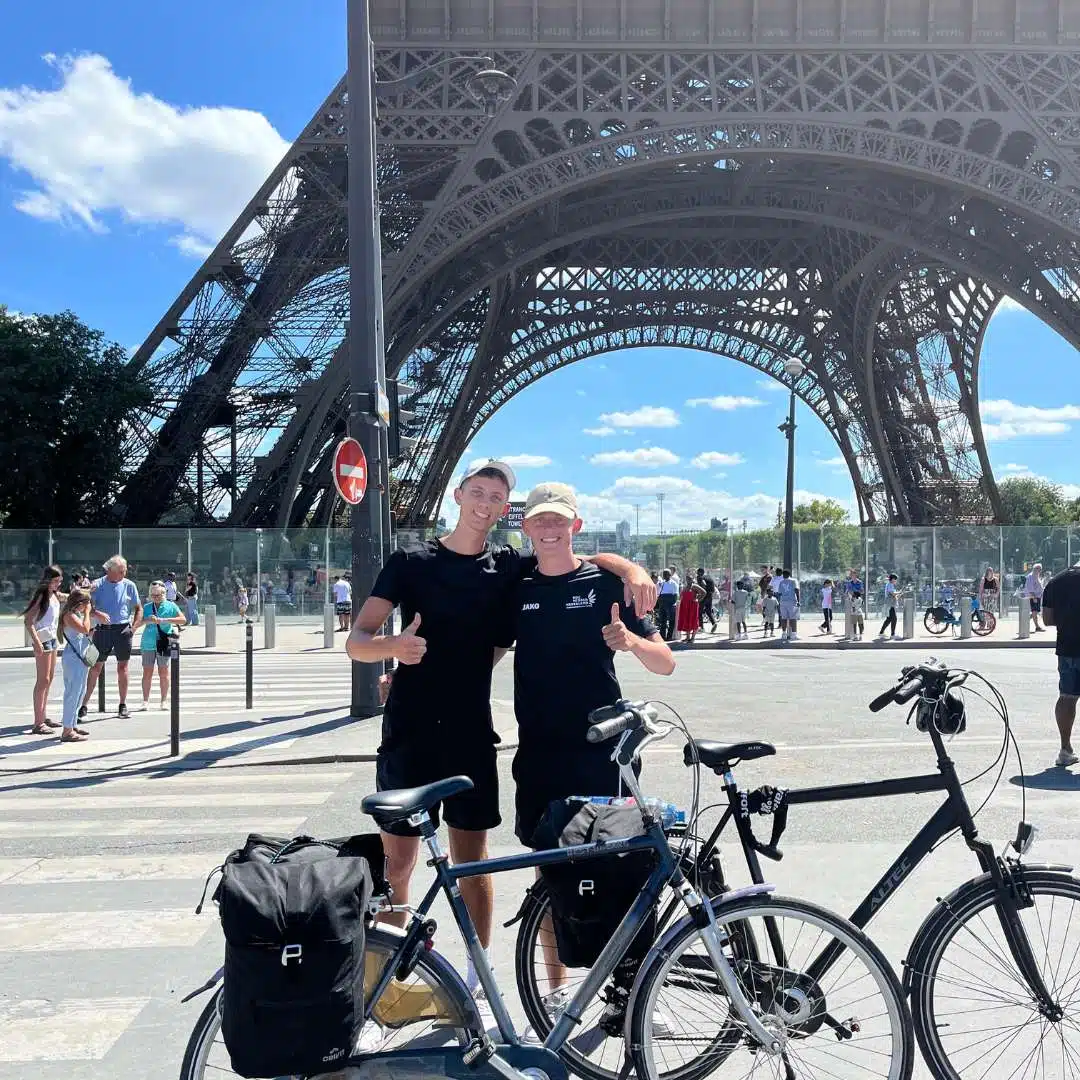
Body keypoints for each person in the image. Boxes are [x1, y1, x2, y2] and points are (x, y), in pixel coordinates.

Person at [346, 462, 654, 1019]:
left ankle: (474, 985)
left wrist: (630, 565)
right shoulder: (409, 562)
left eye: (497, 496)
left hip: (470, 734)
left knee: (474, 861)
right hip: (410, 732)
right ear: (459, 494)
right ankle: (384, 998)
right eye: (478, 493)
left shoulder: (506, 567)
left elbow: (572, 560)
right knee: (398, 869)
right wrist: (394, 651)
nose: (486, 504)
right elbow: (357, 640)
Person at [504, 483, 674, 1012]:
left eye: (560, 521)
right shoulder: (516, 585)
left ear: (576, 525)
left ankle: (633, 997)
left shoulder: (606, 584)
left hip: (603, 750)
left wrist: (632, 639)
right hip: (539, 752)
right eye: (539, 521)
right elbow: (483, 648)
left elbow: (664, 661)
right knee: (549, 876)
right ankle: (554, 988)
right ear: (526, 527)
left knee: (624, 870)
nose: (549, 529)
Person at [79, 555, 142, 721]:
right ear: (110, 571)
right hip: (102, 631)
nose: (124, 573)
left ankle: (122, 704)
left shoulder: (129, 585)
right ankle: (83, 704)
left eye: (124, 570)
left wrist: (133, 628)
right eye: (121, 571)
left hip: (123, 630)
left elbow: (138, 608)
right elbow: (84, 605)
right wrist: (96, 613)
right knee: (95, 667)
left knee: (123, 667)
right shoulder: (97, 585)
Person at [1043, 562, 1080, 767]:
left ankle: (1065, 749)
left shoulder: (1056, 581)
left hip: (1067, 648)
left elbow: (1047, 619)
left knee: (1067, 697)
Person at [22, 566, 64, 734]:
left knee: (49, 679)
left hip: (52, 639)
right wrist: (37, 642)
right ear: (48, 580)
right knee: (43, 680)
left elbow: (67, 597)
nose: (58, 584)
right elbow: (28, 620)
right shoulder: (41, 595)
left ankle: (43, 716)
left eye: (60, 581)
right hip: (43, 639)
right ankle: (38, 722)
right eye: (55, 581)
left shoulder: (53, 594)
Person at [137, 581, 186, 710]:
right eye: (153, 595)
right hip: (148, 642)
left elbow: (183, 619)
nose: (156, 598)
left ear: (164, 594)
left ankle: (164, 700)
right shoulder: (147, 607)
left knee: (163, 672)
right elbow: (138, 622)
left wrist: (165, 620)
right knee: (147, 672)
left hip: (164, 641)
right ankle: (145, 701)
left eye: (158, 595)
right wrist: (148, 620)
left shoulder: (171, 606)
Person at [59, 588, 99, 743]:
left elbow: (86, 632)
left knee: (80, 692)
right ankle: (67, 730)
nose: (88, 606)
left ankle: (72, 724)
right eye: (87, 603)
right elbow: (84, 628)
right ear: (80, 603)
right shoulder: (69, 615)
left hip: (80, 657)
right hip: (73, 658)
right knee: (72, 693)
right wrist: (88, 613)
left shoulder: (76, 614)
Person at [775, 568, 800, 642]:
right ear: (790, 574)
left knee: (784, 618)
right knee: (793, 618)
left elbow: (779, 593)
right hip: (791, 601)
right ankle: (794, 635)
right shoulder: (794, 580)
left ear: (783, 575)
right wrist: (798, 601)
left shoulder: (781, 582)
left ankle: (784, 634)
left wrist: (780, 602)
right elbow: (796, 590)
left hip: (783, 602)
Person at [676, 577, 703, 644]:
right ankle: (688, 637)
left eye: (690, 579)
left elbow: (704, 592)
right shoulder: (685, 586)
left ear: (692, 579)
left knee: (693, 621)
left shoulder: (694, 586)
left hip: (693, 606)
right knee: (687, 620)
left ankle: (693, 638)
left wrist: (698, 599)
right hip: (685, 606)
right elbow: (681, 595)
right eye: (687, 579)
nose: (688, 580)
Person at [655, 569, 678, 640]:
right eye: (663, 574)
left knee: (671, 621)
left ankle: (669, 636)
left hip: (670, 604)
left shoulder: (674, 583)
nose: (664, 575)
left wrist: (671, 603)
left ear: (670, 575)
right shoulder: (661, 583)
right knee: (663, 621)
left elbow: (675, 596)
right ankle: (662, 636)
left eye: (666, 574)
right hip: (662, 603)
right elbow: (658, 593)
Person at [1024, 563, 1046, 632]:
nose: (1039, 571)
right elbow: (1030, 588)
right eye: (1038, 569)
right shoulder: (1030, 577)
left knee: (1034, 612)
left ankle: (1024, 621)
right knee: (1034, 612)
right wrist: (1034, 598)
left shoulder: (1037, 576)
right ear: (1034, 569)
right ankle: (1037, 627)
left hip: (1037, 597)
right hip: (1033, 597)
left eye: (1040, 569)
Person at [877, 573, 900, 640]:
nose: (896, 581)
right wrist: (898, 592)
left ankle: (881, 633)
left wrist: (897, 594)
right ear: (893, 579)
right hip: (890, 605)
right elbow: (892, 593)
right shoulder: (890, 585)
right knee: (894, 619)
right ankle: (893, 635)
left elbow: (893, 594)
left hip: (890, 604)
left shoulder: (889, 584)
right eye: (895, 580)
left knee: (889, 619)